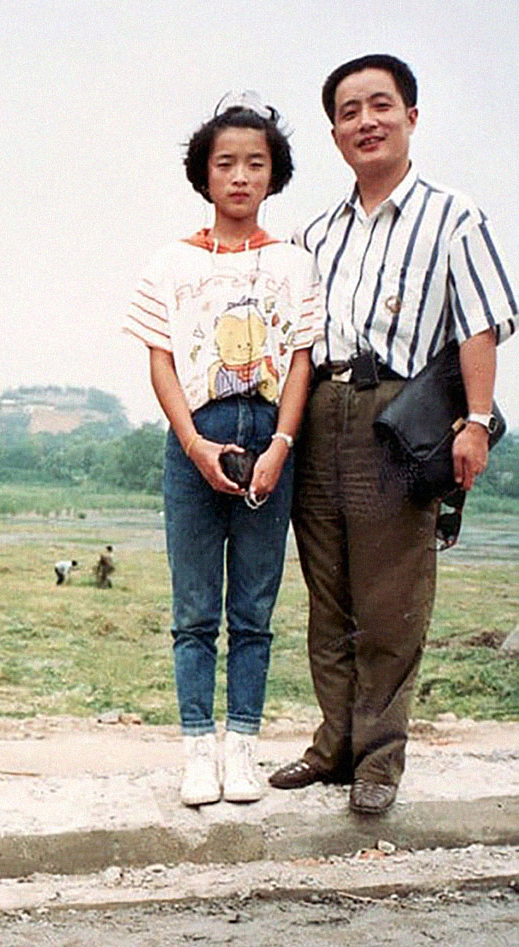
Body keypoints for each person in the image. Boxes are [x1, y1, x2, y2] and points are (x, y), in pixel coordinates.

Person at [269, 55, 517, 814]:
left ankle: (380, 755)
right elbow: (300, 341)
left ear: (412, 116)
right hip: (322, 407)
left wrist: (475, 422)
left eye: (381, 105)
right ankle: (332, 744)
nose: (365, 121)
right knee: (327, 591)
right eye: (349, 111)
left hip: (400, 413)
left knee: (390, 595)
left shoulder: (454, 216)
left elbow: (480, 323)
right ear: (335, 131)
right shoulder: (315, 232)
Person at [124, 92, 321, 806]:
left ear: (275, 175)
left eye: (256, 164)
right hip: (194, 441)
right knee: (195, 608)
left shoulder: (295, 264)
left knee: (255, 610)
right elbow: (160, 360)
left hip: (270, 438)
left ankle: (243, 747)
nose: (240, 177)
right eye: (225, 163)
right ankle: (196, 751)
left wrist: (281, 445)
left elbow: (301, 360)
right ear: (204, 175)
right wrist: (194, 444)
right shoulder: (171, 263)